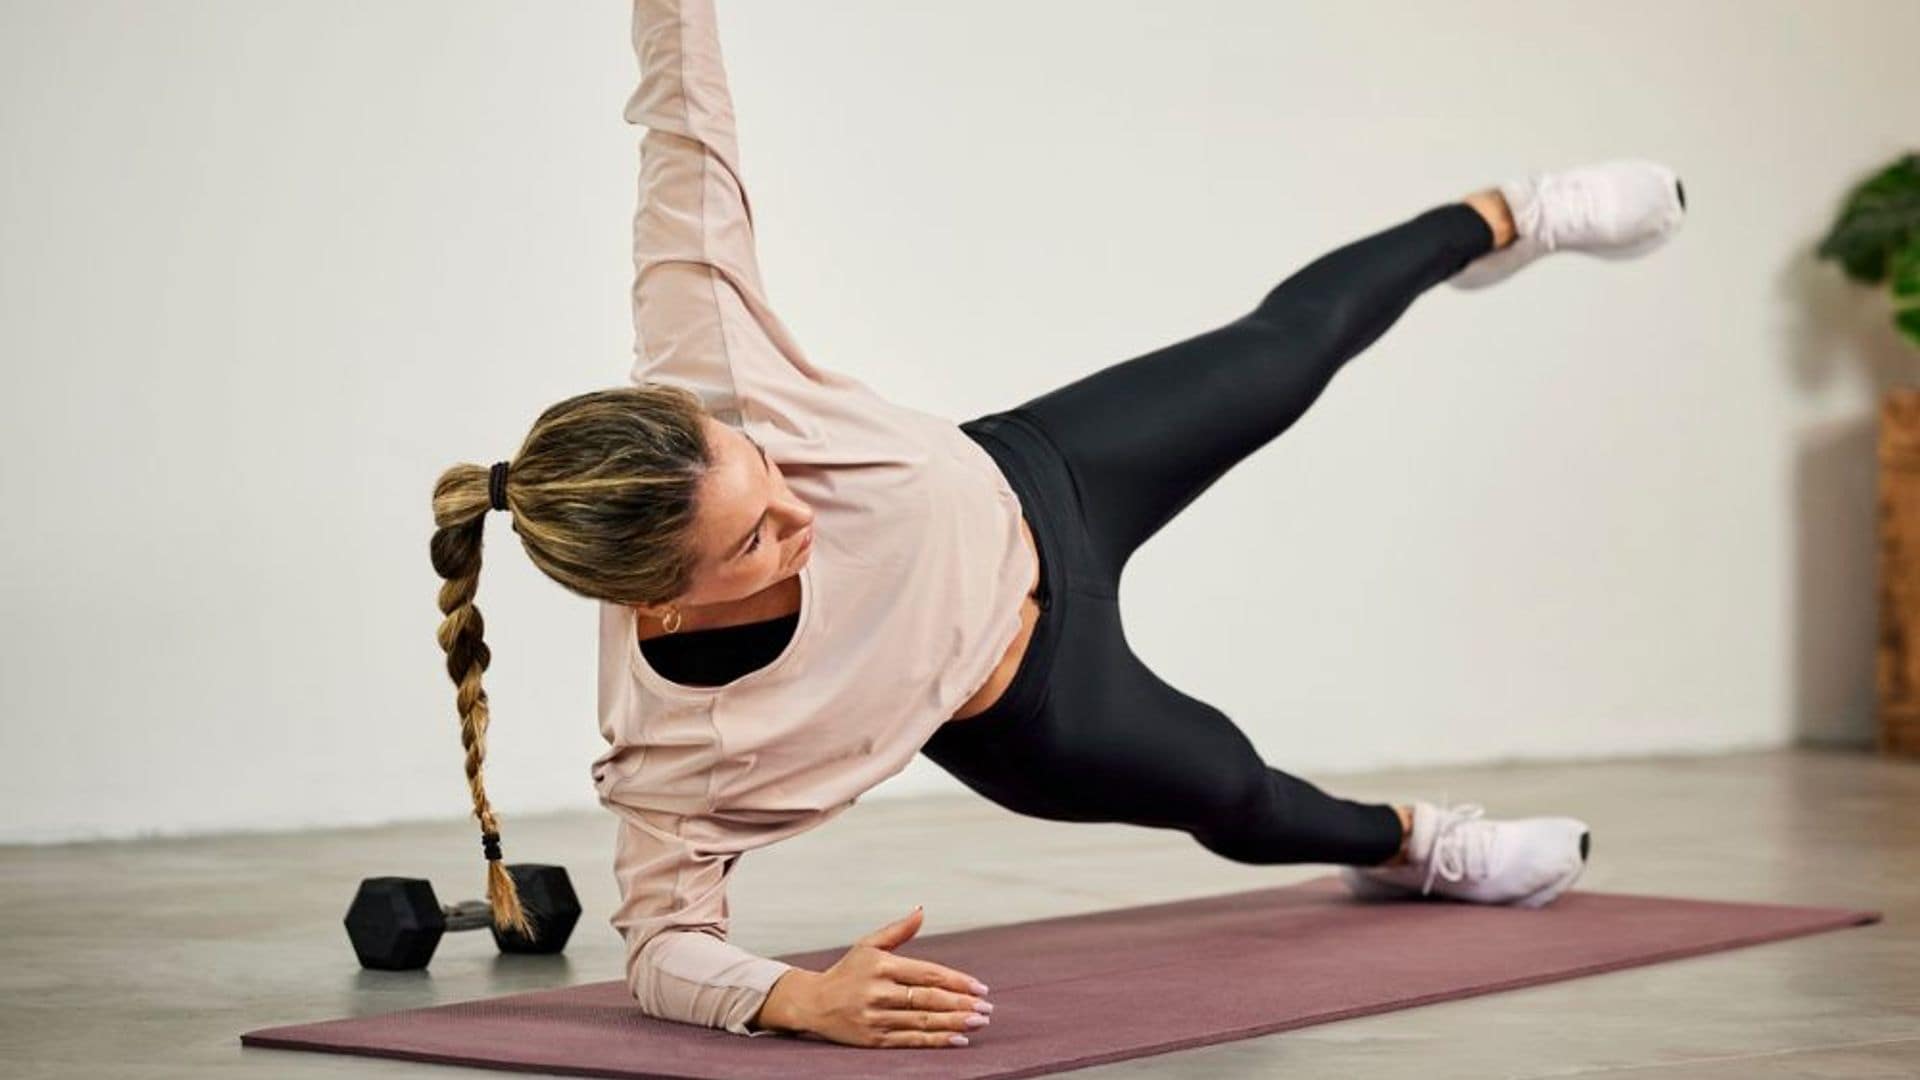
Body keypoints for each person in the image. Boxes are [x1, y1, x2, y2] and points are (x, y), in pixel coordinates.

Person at [427, 0, 1687, 1050]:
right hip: (1031, 700)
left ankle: (1512, 214)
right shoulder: (682, 756)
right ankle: (1414, 848)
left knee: (1283, 352)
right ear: (663, 603)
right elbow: (663, 949)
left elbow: (681, 118)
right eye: (757, 541)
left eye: (764, 470)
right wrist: (797, 996)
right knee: (1237, 798)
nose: (799, 511)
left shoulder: (705, 354)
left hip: (1042, 475)